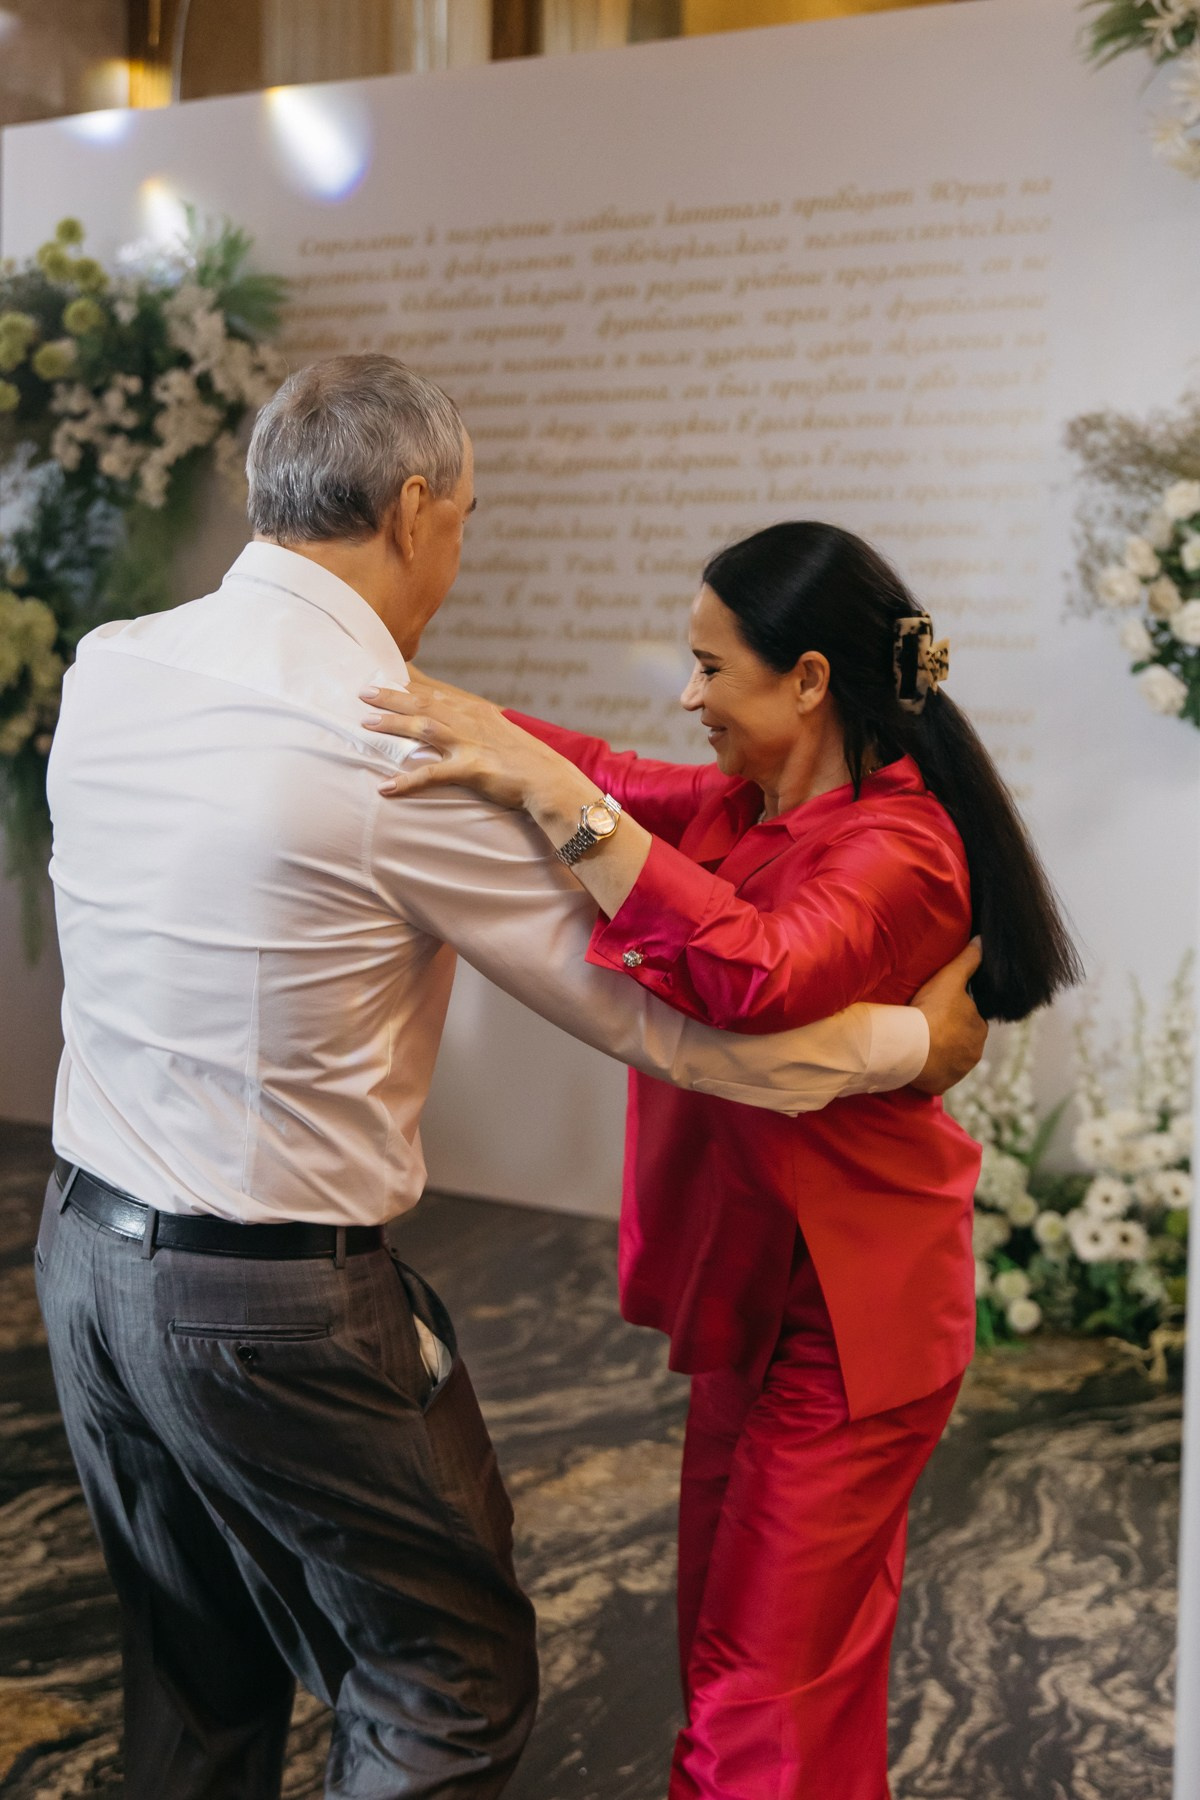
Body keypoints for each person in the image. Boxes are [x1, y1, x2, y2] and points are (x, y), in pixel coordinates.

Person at [36, 357, 986, 1800]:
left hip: (79, 1260)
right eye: (469, 520)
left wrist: (529, 756)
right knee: (448, 1685)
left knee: (196, 1677)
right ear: (415, 509)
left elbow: (621, 796)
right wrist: (923, 1044)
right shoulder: (380, 746)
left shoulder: (115, 661)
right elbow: (683, 1031)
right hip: (266, 1306)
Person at [360, 518, 1081, 1800]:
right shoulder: (753, 800)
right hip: (766, 1293)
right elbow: (605, 775)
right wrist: (425, 708)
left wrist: (561, 802)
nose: (688, 698)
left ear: (808, 680)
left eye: (709, 669)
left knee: (756, 1693)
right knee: (757, 1664)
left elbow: (761, 977)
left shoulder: (903, 846)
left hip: (852, 1319)